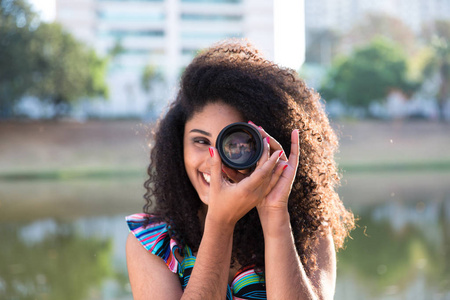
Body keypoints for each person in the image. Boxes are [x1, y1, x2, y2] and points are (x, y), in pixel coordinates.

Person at [126, 40, 355, 300]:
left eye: (235, 144)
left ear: (264, 146)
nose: (215, 161)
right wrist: (221, 222)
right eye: (201, 141)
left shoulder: (308, 231)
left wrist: (275, 215)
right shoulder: (151, 243)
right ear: (178, 147)